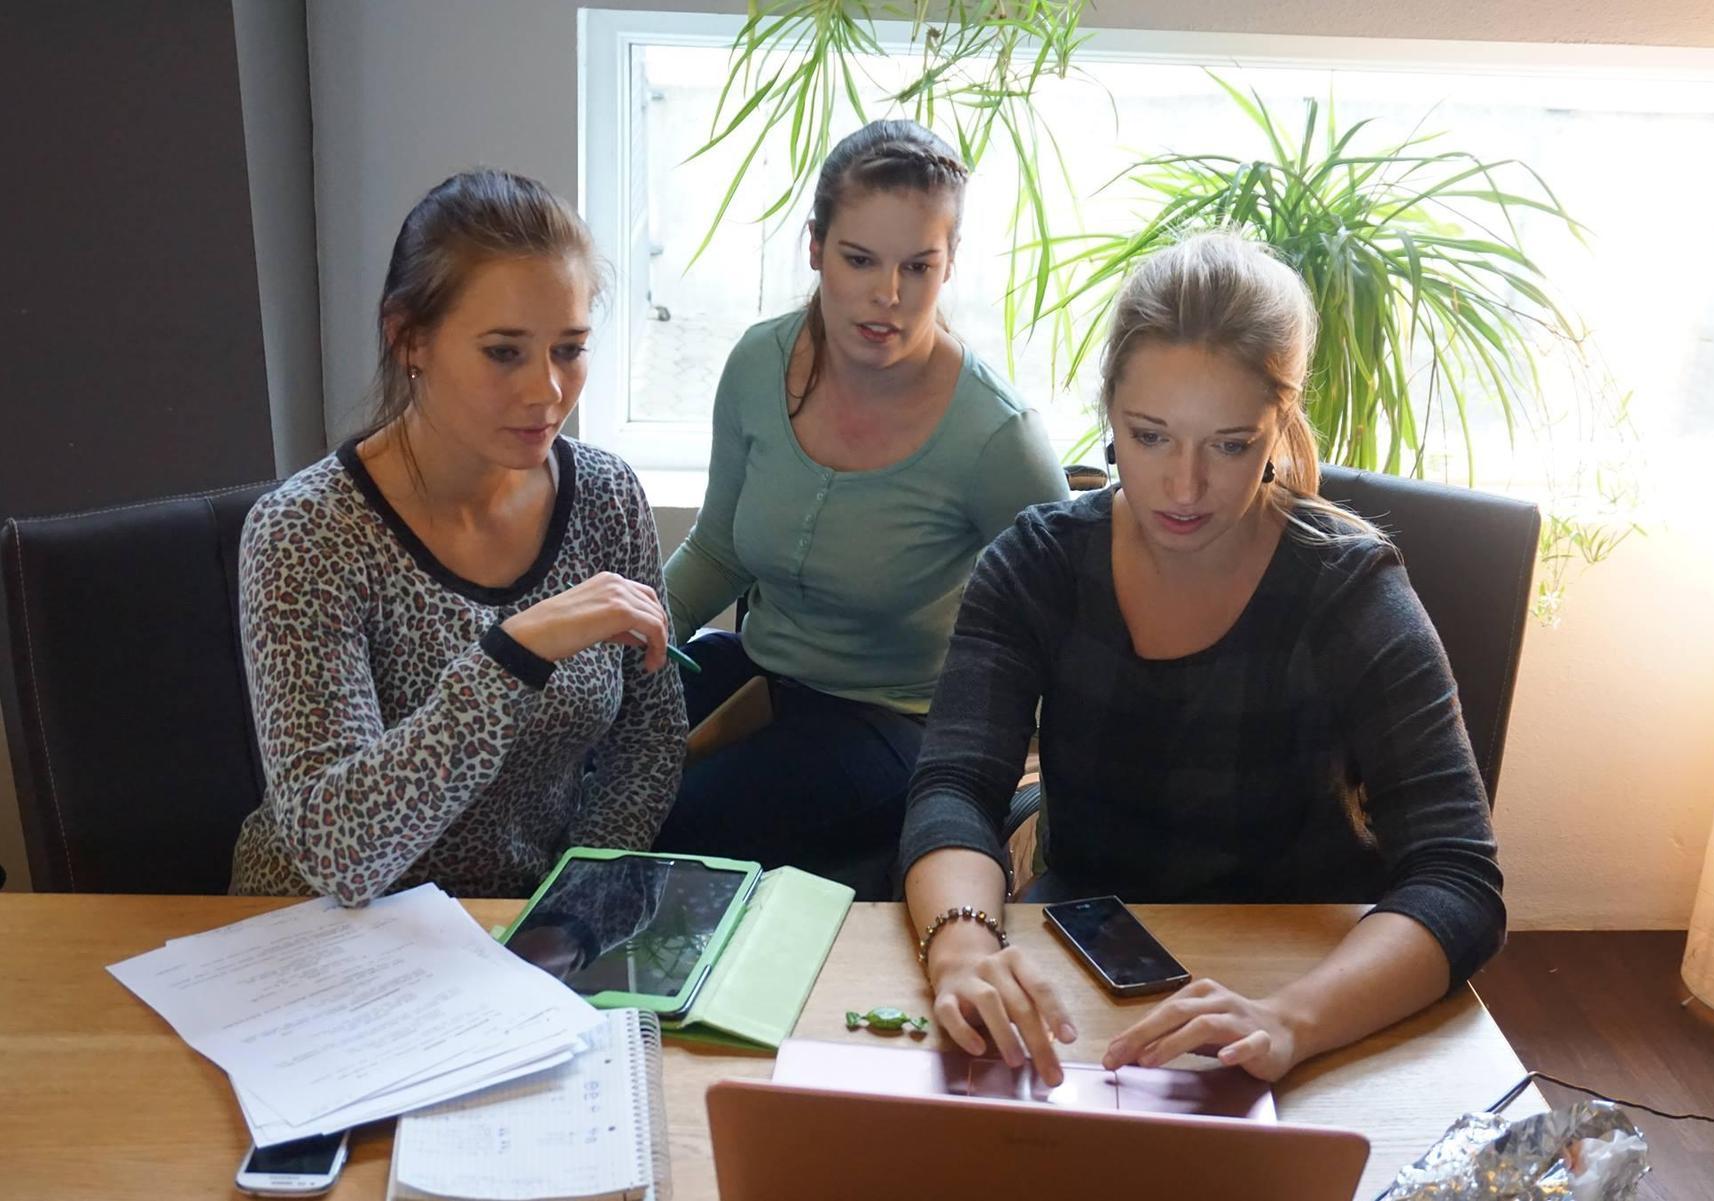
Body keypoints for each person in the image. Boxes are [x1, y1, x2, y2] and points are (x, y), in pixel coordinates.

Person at [899, 232, 1506, 1085]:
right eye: (1150, 436)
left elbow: (1459, 876)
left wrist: (1289, 1019)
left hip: (1308, 979)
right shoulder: (1038, 563)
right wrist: (962, 948)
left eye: (1229, 444)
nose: (1184, 488)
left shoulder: (1347, 588)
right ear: (1109, 411)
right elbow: (955, 786)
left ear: (1280, 427)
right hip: (1086, 967)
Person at [230, 169, 687, 906]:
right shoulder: (307, 530)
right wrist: (515, 654)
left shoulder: (606, 497)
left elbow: (650, 738)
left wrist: (573, 904)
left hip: (515, 929)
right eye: (504, 351)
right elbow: (338, 852)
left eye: (569, 349)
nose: (547, 390)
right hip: (325, 928)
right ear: (408, 339)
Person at [654, 121, 1069, 899]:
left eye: (919, 266)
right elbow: (718, 548)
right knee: (577, 769)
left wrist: (1041, 782)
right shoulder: (756, 363)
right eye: (859, 259)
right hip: (760, 675)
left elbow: (1069, 620)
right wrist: (630, 644)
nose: (889, 295)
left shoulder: (996, 435)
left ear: (950, 264)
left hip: (898, 721)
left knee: (671, 823)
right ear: (815, 247)